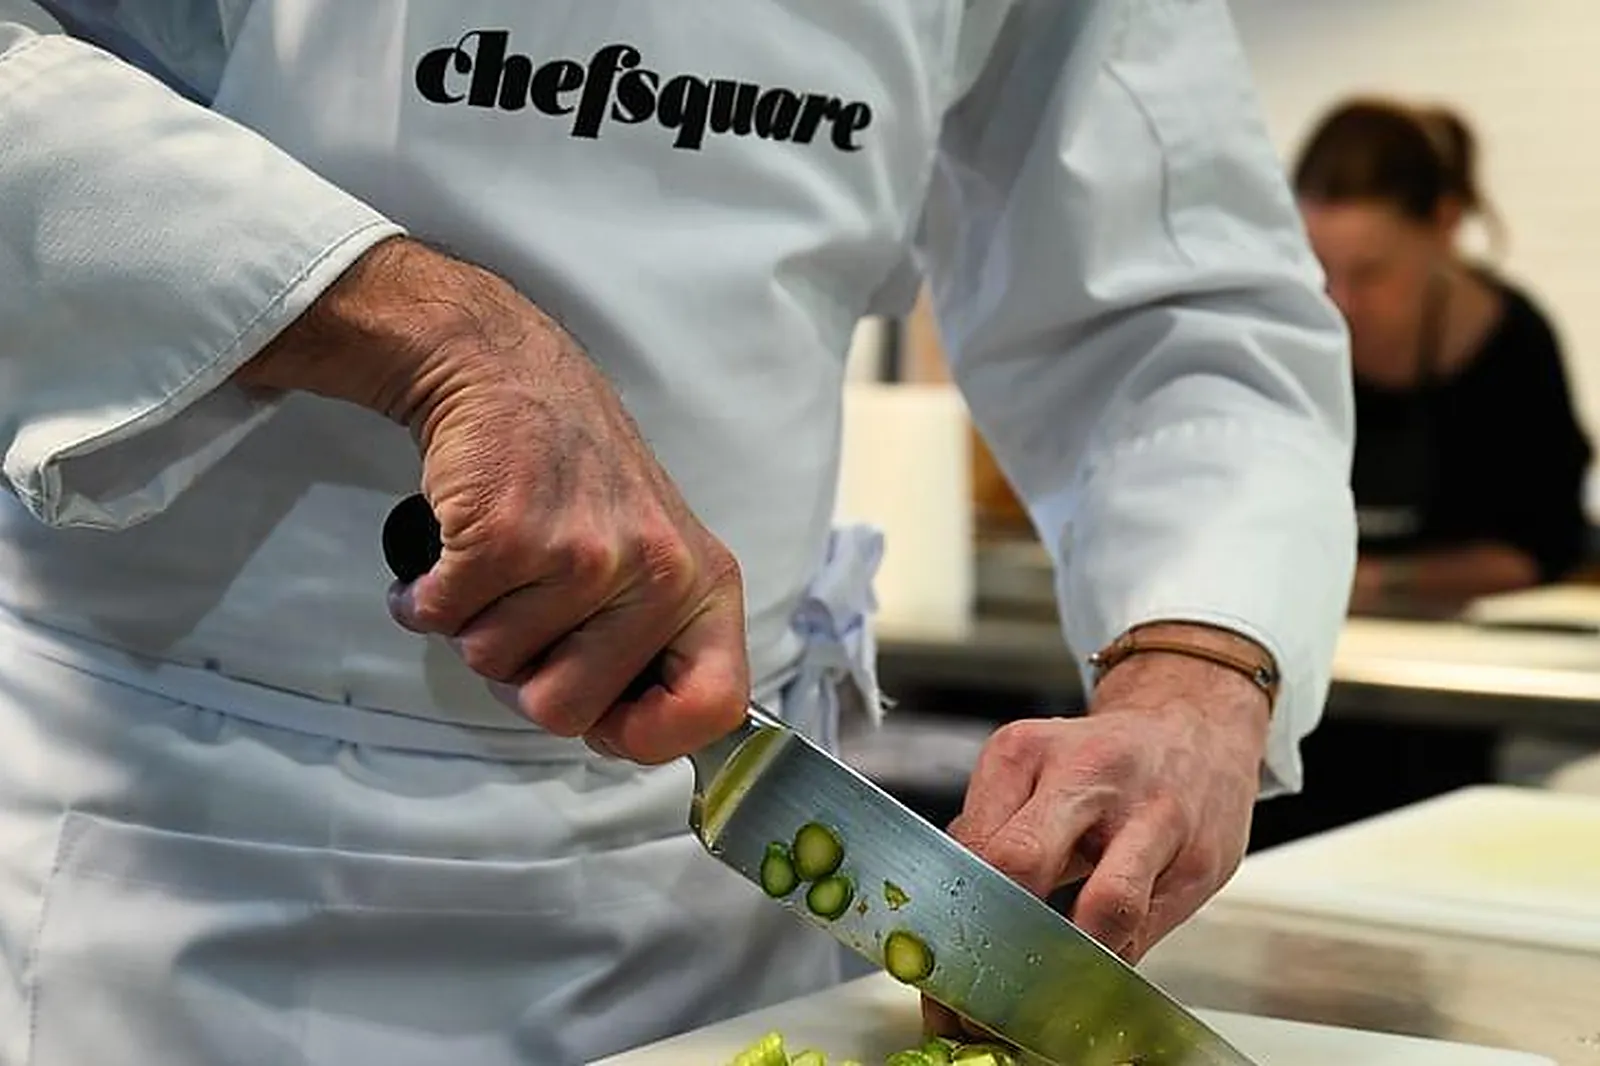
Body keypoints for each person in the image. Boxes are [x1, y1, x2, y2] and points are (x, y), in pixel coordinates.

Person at [0, 2, 1356, 1063]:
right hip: (188, 876)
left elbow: (1174, 296)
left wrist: (1197, 660)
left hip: (719, 897)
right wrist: (429, 331)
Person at [1292, 97, 1594, 612]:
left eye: (1370, 272)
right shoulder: (1291, 335)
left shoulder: (1513, 344)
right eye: (1317, 266)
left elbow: (1542, 548)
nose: (1339, 301)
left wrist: (1375, 583)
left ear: (1444, 226)